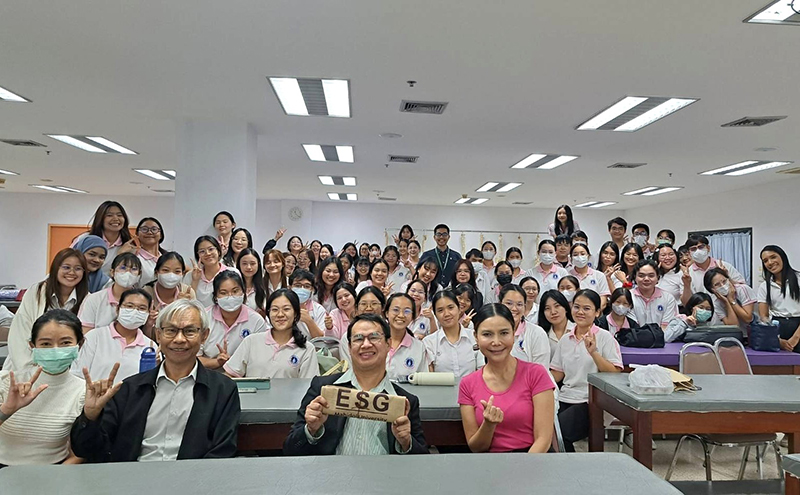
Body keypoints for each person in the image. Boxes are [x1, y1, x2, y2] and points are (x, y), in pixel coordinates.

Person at [70, 299, 241, 461]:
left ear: (204, 336)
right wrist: (90, 417)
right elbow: (88, 450)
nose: (179, 339)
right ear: (158, 335)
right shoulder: (129, 389)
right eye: (171, 330)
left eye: (189, 331)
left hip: (192, 483)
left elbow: (223, 451)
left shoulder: (223, 390)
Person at [283, 314, 428, 456]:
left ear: (388, 343)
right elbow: (290, 449)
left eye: (374, 337)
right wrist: (310, 430)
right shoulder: (323, 388)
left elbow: (422, 460)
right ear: (349, 346)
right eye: (358, 339)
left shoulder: (405, 401)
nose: (366, 344)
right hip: (332, 476)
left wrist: (406, 442)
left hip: (384, 476)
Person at [459, 303, 555, 453]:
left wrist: (520, 474)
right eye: (487, 334)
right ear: (476, 337)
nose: (496, 342)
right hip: (491, 465)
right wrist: (488, 425)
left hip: (533, 463)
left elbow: (543, 440)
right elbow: (476, 447)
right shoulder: (467, 384)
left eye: (504, 333)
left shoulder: (536, 374)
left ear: (514, 332)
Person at [0, 310, 86, 466]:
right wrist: (6, 411)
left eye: (65, 343)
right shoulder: (7, 382)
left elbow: (80, 453)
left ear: (79, 345)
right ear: (32, 346)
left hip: (53, 473)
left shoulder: (83, 391)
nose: (55, 350)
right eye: (46, 344)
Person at [550, 289, 622, 452]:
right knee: (542, 427)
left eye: (587, 308)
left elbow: (614, 373)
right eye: (576, 307)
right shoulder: (565, 340)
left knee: (558, 431)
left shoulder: (605, 338)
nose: (580, 312)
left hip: (591, 401)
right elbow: (558, 374)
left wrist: (593, 353)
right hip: (566, 397)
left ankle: (570, 470)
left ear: (597, 312)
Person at [4, 249, 89, 373]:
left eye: (78, 268)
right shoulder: (36, 292)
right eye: (66, 267)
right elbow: (20, 333)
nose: (71, 272)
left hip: (68, 370)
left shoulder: (89, 299)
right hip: (28, 366)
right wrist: (28, 369)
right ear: (55, 269)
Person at [224, 289, 318, 379]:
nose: (280, 314)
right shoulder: (251, 341)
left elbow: (309, 385)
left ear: (296, 313)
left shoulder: (307, 349)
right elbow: (230, 375)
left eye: (286, 309)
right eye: (275, 309)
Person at [74, 289, 155, 383]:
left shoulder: (150, 347)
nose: (134, 311)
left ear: (148, 313)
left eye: (141, 308)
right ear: (118, 309)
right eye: (129, 306)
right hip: (93, 395)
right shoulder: (94, 337)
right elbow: (77, 374)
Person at [198, 271, 267, 371]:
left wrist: (232, 366)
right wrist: (217, 362)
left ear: (243, 292)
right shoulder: (203, 317)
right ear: (215, 297)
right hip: (208, 375)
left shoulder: (256, 321)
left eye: (235, 291)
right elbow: (193, 358)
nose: (230, 296)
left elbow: (258, 360)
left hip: (244, 377)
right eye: (223, 293)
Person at [78, 253, 143, 332]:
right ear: (112, 272)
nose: (128, 273)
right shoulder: (94, 299)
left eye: (134, 269)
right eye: (123, 268)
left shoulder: (143, 301)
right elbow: (85, 332)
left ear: (139, 274)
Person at [424, 291, 481, 378]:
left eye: (450, 308)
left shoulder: (474, 337)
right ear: (435, 315)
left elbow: (482, 372)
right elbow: (430, 378)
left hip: (472, 390)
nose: (447, 314)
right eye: (440, 310)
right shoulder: (429, 342)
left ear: (459, 309)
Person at [72, 201, 136, 275]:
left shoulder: (129, 246)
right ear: (100, 218)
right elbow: (69, 262)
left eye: (119, 215)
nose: (115, 218)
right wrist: (119, 255)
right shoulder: (85, 239)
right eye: (109, 215)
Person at [757, 245, 800, 352]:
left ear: (782, 257)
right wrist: (776, 339)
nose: (770, 263)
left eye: (773, 257)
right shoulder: (764, 286)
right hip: (777, 330)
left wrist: (796, 338)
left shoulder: (798, 279)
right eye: (765, 261)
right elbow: (764, 317)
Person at [684, 235, 746, 303]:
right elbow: (686, 302)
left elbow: (743, 288)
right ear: (689, 253)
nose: (698, 251)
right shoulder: (687, 274)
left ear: (708, 248)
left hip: (728, 308)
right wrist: (686, 284)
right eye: (693, 249)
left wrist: (727, 277)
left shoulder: (724, 266)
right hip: (704, 310)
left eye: (701, 247)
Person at [500, 285, 549, 368]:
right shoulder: (491, 331)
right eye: (509, 303)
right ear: (499, 304)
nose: (514, 308)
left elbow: (541, 370)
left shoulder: (537, 333)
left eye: (519, 304)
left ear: (524, 307)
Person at [384, 294, 428, 381]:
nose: (401, 315)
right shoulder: (375, 342)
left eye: (407, 311)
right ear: (386, 313)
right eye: (396, 310)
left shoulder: (419, 347)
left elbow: (423, 380)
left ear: (412, 316)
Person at [338, 287, 387, 362]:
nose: (368, 308)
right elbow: (348, 367)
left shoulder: (390, 332)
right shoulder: (348, 337)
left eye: (374, 304)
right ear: (356, 307)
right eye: (363, 304)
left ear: (383, 306)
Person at [185, 236, 234, 308]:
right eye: (202, 251)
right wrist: (195, 281)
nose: (207, 253)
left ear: (219, 251)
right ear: (198, 256)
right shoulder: (190, 276)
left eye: (211, 249)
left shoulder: (232, 272)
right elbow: (186, 302)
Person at [629, 260, 678, 328]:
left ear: (658, 278)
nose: (646, 279)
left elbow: (666, 327)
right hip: (634, 336)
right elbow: (631, 325)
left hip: (662, 337)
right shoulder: (628, 297)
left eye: (651, 276)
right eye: (641, 275)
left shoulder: (668, 298)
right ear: (635, 277)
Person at [704, 267, 756, 333]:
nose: (723, 285)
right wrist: (726, 302)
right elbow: (733, 326)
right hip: (740, 335)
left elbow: (748, 318)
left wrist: (731, 300)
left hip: (757, 332)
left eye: (724, 281)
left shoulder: (742, 289)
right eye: (717, 284)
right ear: (712, 290)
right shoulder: (717, 303)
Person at [567, 243, 610, 309]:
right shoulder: (567, 275)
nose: (579, 257)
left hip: (594, 315)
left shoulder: (599, 276)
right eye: (575, 255)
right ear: (571, 258)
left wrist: (593, 313)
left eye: (582, 254)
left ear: (588, 256)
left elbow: (603, 299)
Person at [420, 224, 462, 288]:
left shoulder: (456, 256)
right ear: (434, 237)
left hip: (452, 291)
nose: (441, 237)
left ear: (448, 237)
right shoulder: (426, 255)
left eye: (444, 234)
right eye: (439, 234)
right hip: (431, 290)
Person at [288, 270, 327, 339]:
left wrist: (309, 321)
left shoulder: (318, 309)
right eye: (298, 285)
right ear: (290, 287)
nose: (302, 289)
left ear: (312, 289)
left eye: (307, 286)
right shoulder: (283, 306)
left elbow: (320, 339)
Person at [538, 290, 575, 359]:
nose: (553, 312)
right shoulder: (541, 334)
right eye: (547, 308)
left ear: (565, 308)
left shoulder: (578, 329)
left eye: (557, 306)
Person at [135, 217, 166, 286]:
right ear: (137, 234)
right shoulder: (135, 258)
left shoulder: (166, 258)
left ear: (161, 235)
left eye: (154, 229)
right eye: (144, 229)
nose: (149, 232)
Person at [236, 248, 267, 316]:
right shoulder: (233, 286)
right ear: (239, 264)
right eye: (244, 263)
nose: (249, 267)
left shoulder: (263, 287)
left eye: (252, 263)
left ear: (258, 264)